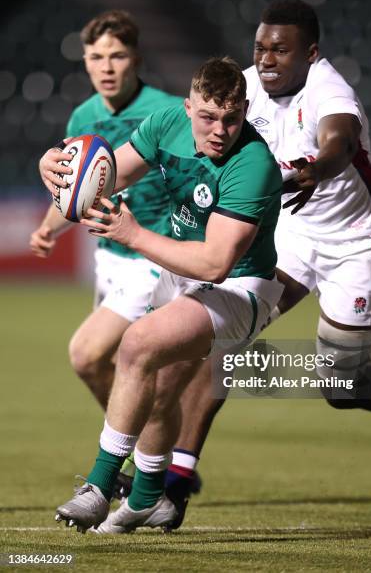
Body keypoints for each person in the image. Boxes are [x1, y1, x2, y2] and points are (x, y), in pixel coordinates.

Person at [161, 0, 371, 529]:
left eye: (280, 49)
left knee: (340, 387)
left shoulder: (328, 90)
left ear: (310, 53)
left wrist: (310, 171)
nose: (266, 59)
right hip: (292, 237)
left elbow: (338, 145)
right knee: (222, 337)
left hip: (358, 245)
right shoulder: (244, 88)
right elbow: (194, 121)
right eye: (260, 47)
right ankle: (175, 485)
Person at [38, 56, 283, 533]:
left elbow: (216, 262)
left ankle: (98, 486)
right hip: (179, 276)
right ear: (188, 107)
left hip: (239, 289)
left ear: (245, 111)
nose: (219, 130)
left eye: (231, 119)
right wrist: (58, 167)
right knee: (154, 389)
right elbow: (115, 174)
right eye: (208, 117)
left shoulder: (253, 164)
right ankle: (150, 498)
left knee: (137, 345)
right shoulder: (167, 122)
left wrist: (132, 234)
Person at [29, 10, 186, 492]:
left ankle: (134, 463)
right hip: (109, 261)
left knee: (86, 353)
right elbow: (77, 191)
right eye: (96, 57)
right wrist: (49, 227)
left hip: (152, 259)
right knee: (129, 377)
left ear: (136, 57)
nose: (107, 66)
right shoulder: (83, 117)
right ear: (86, 62)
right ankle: (152, 465)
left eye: (117, 55)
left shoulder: (170, 109)